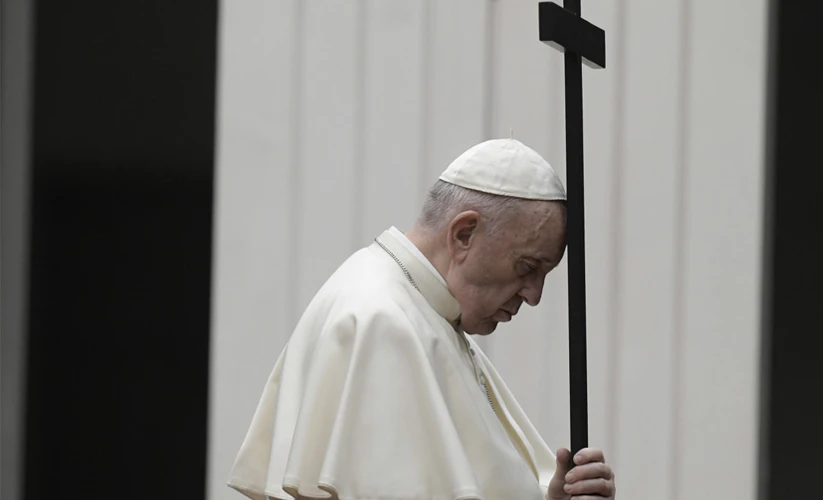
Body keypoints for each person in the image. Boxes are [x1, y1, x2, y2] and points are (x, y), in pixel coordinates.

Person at [227, 139, 616, 500]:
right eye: (527, 267)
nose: (534, 296)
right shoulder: (382, 322)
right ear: (463, 234)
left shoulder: (423, 311)